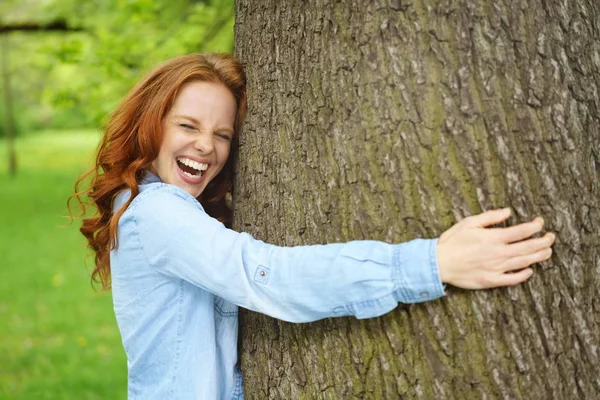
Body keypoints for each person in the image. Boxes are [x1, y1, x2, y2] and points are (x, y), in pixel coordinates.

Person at [70, 53, 555, 400]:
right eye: (188, 126)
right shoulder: (158, 214)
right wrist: (430, 263)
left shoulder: (153, 208)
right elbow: (270, 276)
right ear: (150, 123)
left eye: (222, 134)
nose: (206, 146)